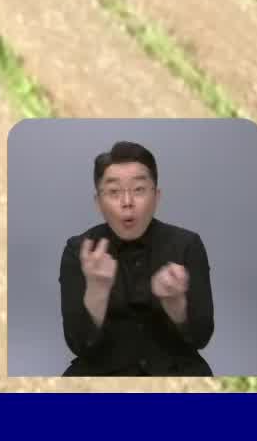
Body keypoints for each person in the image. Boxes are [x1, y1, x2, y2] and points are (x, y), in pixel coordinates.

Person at [59, 141, 215, 375]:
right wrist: (97, 290)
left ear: (157, 196)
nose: (127, 202)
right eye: (113, 192)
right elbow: (78, 344)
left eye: (139, 189)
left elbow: (201, 338)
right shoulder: (79, 250)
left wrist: (176, 303)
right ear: (98, 203)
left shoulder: (187, 245)